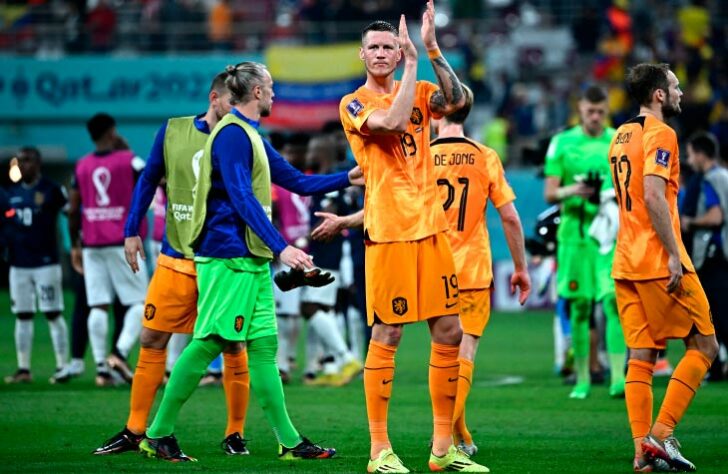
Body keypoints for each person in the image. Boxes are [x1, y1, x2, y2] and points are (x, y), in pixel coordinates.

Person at [140, 61, 362, 462]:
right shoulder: (231, 137)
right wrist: (282, 247)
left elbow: (297, 181)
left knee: (262, 348)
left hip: (250, 257)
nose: (275, 94)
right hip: (227, 253)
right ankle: (157, 432)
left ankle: (290, 442)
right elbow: (242, 198)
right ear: (256, 92)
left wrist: (349, 177)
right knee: (211, 340)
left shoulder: (249, 135)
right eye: (272, 87)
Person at [339, 3, 487, 471]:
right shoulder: (354, 103)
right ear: (362, 55)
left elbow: (457, 100)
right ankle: (378, 449)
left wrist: (431, 47)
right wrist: (411, 65)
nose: (383, 53)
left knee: (450, 331)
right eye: (375, 48)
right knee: (388, 332)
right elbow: (394, 124)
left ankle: (444, 450)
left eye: (389, 46)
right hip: (389, 234)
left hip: (432, 229)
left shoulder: (420, 86)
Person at [93, 72, 252, 457]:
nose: (238, 112)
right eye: (232, 103)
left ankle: (234, 433)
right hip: (176, 256)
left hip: (223, 260)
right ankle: (134, 430)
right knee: (151, 338)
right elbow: (148, 180)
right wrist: (132, 229)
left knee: (233, 345)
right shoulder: (174, 131)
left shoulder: (244, 137)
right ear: (215, 98)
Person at [609, 63, 718, 472]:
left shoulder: (619, 136)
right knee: (705, 345)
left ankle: (643, 452)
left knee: (641, 354)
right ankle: (662, 433)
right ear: (657, 94)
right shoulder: (662, 134)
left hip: (625, 261)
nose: (680, 94)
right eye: (674, 87)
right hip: (658, 260)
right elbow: (653, 195)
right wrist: (674, 253)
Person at [431, 85, 531, 456]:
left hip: (431, 269)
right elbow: (509, 217)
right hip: (472, 269)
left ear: (435, 115)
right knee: (465, 353)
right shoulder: (485, 156)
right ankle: (443, 442)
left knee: (443, 356)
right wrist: (521, 268)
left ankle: (460, 434)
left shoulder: (420, 158)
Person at [544, 85, 627, 399]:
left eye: (600, 111)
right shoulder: (562, 142)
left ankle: (618, 377)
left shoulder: (618, 140)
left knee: (613, 302)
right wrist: (573, 191)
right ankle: (582, 378)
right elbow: (550, 192)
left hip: (608, 238)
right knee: (579, 308)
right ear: (580, 109)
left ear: (607, 109)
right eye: (590, 111)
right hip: (574, 238)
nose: (595, 117)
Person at [68, 113, 149, 387]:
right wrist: (127, 151)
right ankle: (120, 353)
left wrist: (75, 245)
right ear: (112, 131)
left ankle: (102, 369)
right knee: (140, 302)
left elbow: (72, 208)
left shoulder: (81, 166)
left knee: (98, 304)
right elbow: (153, 180)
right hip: (123, 241)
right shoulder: (129, 160)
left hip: (91, 242)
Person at [3, 147, 71, 385]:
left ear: (38, 163)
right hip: (19, 263)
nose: (24, 165)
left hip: (46, 263)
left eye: (29, 161)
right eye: (21, 161)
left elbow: (70, 213)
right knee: (23, 315)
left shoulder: (51, 190)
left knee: (52, 312)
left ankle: (63, 366)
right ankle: (23, 369)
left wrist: (74, 243)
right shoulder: (10, 193)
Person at [683, 132, 728, 381]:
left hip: (714, 257)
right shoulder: (725, 175)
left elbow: (715, 217)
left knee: (716, 314)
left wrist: (690, 222)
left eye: (690, 155)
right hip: (723, 256)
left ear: (701, 155)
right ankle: (719, 368)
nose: (690, 161)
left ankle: (716, 365)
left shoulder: (710, 179)